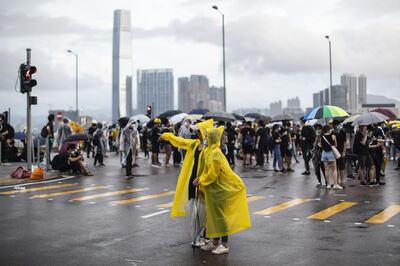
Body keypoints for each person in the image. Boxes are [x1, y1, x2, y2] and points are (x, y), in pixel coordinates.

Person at [193, 127, 251, 255]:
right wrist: (200, 179)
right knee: (214, 217)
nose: (205, 139)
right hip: (213, 190)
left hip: (219, 190)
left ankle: (224, 245)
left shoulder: (216, 153)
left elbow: (213, 173)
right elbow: (206, 170)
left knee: (221, 217)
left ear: (213, 138)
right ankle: (214, 242)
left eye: (208, 137)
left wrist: (201, 180)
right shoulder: (210, 151)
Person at [161, 119, 214, 247]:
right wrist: (167, 136)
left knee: (206, 210)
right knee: (195, 210)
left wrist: (203, 180)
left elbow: (214, 169)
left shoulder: (211, 149)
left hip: (204, 183)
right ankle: (197, 235)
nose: (196, 134)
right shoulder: (195, 144)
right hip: (193, 182)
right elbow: (181, 141)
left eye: (199, 132)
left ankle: (206, 236)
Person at [320, 125, 342, 189]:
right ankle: (335, 184)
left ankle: (328, 185)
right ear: (329, 129)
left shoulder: (322, 136)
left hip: (324, 153)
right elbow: (336, 145)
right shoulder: (333, 136)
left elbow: (321, 145)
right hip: (331, 153)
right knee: (334, 169)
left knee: (326, 169)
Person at [333, 120, 347, 188]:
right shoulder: (332, 132)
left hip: (341, 151)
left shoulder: (342, 131)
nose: (336, 126)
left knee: (341, 167)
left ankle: (342, 181)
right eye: (334, 125)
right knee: (336, 167)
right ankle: (337, 181)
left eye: (336, 125)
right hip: (334, 152)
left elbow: (345, 142)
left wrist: (344, 151)